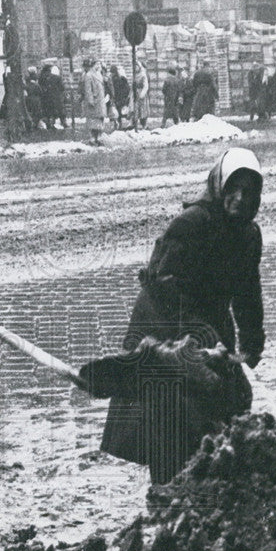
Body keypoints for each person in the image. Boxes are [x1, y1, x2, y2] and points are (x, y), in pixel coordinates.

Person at [100, 147, 265, 484]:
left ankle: (206, 482)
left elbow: (248, 290)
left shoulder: (249, 235)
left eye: (249, 193)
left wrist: (252, 339)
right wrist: (197, 336)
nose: (239, 199)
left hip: (212, 324)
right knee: (171, 413)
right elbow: (164, 285)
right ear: (219, 186)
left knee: (227, 402)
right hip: (163, 324)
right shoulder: (192, 224)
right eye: (233, 189)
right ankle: (167, 492)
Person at [82, 57, 106, 145]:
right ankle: (92, 138)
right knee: (92, 120)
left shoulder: (99, 74)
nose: (99, 66)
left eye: (99, 64)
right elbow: (88, 90)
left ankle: (99, 137)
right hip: (94, 101)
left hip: (100, 100)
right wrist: (90, 100)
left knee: (100, 119)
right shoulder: (89, 75)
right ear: (93, 65)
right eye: (97, 64)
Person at [39, 61, 66, 129]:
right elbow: (62, 88)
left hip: (45, 97)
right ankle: (63, 122)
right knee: (59, 109)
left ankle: (49, 123)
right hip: (56, 97)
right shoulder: (56, 77)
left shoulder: (41, 77)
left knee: (47, 110)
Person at [109, 64, 130, 129]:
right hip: (120, 97)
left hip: (118, 97)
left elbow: (125, 89)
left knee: (117, 112)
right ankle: (118, 124)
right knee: (118, 112)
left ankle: (118, 124)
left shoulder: (117, 79)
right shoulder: (121, 78)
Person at [133, 60, 150, 129]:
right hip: (135, 93)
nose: (135, 68)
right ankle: (135, 125)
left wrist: (142, 94)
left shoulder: (143, 75)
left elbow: (146, 86)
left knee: (143, 110)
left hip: (141, 94)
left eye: (136, 66)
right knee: (135, 110)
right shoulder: (134, 75)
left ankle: (144, 125)